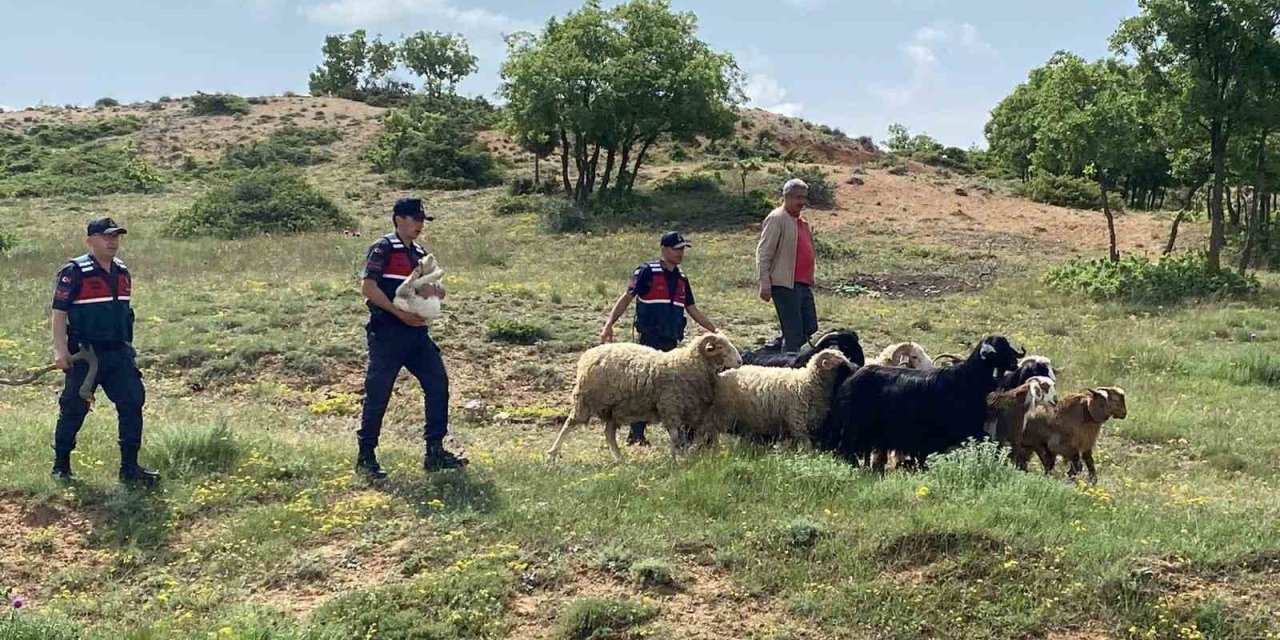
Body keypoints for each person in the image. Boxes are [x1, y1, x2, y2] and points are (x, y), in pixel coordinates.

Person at [356, 197, 467, 479]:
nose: (419, 225)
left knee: (438, 383)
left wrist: (435, 292)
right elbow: (368, 287)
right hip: (387, 331)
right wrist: (397, 312)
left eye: (422, 220)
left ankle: (435, 451)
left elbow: (438, 289)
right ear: (399, 219)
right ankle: (366, 456)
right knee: (378, 392)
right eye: (415, 219)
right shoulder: (383, 247)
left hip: (416, 333)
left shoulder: (420, 253)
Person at [50, 218, 159, 486]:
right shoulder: (74, 271)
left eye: (115, 237)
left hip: (119, 353)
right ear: (90, 240)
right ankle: (61, 467)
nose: (112, 242)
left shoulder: (122, 271)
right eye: (106, 236)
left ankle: (130, 468)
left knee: (132, 402)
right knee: (74, 407)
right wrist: (60, 349)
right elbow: (59, 312)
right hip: (85, 354)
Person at [600, 231, 719, 446]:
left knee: (672, 389)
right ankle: (636, 435)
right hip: (649, 339)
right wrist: (609, 324)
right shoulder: (647, 271)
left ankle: (678, 434)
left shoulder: (682, 278)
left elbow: (692, 309)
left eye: (682, 249)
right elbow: (627, 298)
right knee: (644, 387)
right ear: (664, 249)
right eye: (676, 249)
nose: (680, 253)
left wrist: (714, 331)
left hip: (671, 340)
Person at [756, 178, 818, 353]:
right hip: (784, 283)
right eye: (798, 197)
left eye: (804, 197)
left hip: (802, 283)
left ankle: (773, 350)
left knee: (810, 326)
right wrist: (765, 283)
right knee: (794, 332)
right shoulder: (777, 218)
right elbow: (764, 252)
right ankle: (788, 361)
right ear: (786, 197)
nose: (802, 202)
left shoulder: (801, 222)